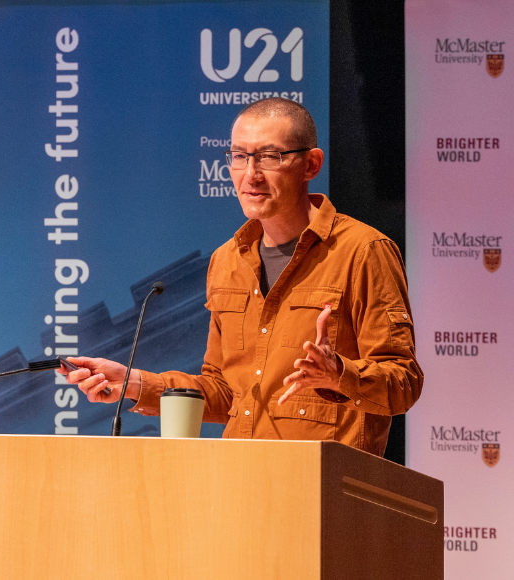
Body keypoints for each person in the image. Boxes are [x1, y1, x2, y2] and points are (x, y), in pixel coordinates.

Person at [61, 98, 422, 456]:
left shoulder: (363, 251)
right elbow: (224, 392)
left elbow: (404, 383)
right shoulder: (228, 260)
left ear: (310, 164)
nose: (251, 174)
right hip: (241, 486)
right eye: (238, 157)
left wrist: (338, 373)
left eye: (269, 156)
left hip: (322, 490)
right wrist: (134, 383)